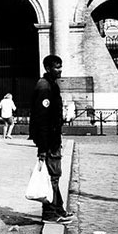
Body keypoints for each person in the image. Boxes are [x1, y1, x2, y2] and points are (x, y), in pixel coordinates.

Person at [29, 55, 74, 224]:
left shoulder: (50, 85)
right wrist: (42, 147)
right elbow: (42, 119)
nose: (60, 70)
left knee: (54, 175)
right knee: (52, 176)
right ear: (48, 68)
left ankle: (58, 208)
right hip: (48, 141)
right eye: (56, 67)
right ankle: (49, 214)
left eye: (61, 66)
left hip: (52, 138)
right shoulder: (45, 87)